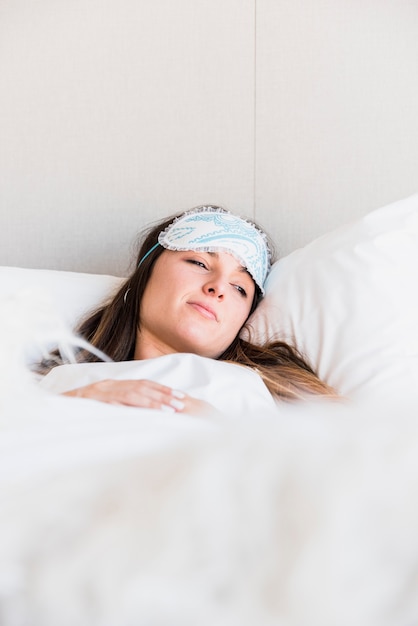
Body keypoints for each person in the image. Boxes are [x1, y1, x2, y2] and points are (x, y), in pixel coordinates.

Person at [39, 205, 337, 415]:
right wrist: (71, 404)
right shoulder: (57, 383)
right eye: (199, 263)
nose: (219, 287)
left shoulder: (249, 390)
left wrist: (217, 430)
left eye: (239, 288)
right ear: (144, 276)